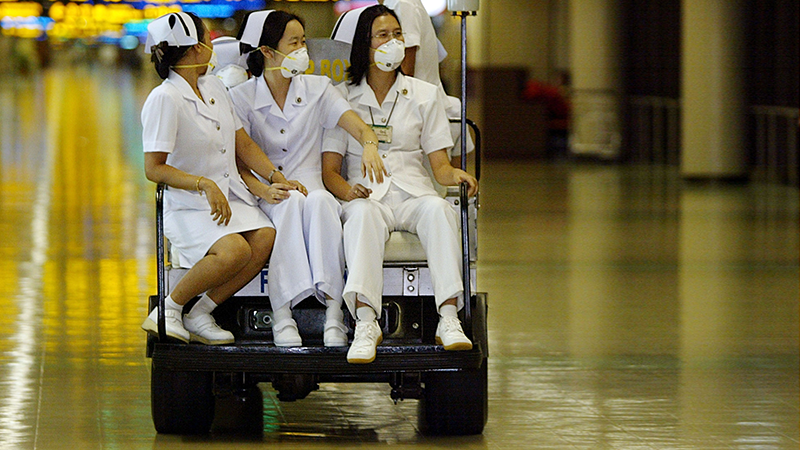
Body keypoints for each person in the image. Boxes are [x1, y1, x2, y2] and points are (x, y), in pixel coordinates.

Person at [321, 5, 478, 364]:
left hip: (412, 191)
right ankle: (365, 321)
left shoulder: (425, 95)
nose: (393, 42)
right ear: (365, 44)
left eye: (397, 34)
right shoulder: (340, 97)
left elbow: (439, 167)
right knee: (360, 216)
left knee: (440, 209)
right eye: (383, 35)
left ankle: (449, 317)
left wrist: (459, 175)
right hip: (365, 194)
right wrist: (349, 192)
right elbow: (330, 170)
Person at [229, 10, 387, 347]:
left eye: (304, 41)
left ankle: (333, 315)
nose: (304, 49)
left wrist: (370, 144)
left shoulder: (319, 88)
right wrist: (264, 187)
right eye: (295, 42)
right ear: (268, 52)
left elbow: (355, 124)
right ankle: (282, 315)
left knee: (317, 201)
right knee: (289, 203)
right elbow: (238, 158)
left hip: (313, 186)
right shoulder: (241, 97)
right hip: (267, 192)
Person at [139, 12, 286, 346]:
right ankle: (170, 309)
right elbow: (154, 168)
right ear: (193, 50)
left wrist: (275, 176)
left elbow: (243, 143)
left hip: (230, 197)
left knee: (264, 236)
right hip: (190, 205)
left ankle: (201, 312)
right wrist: (203, 184)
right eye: (206, 38)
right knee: (234, 251)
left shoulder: (213, 85)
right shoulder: (165, 99)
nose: (211, 44)